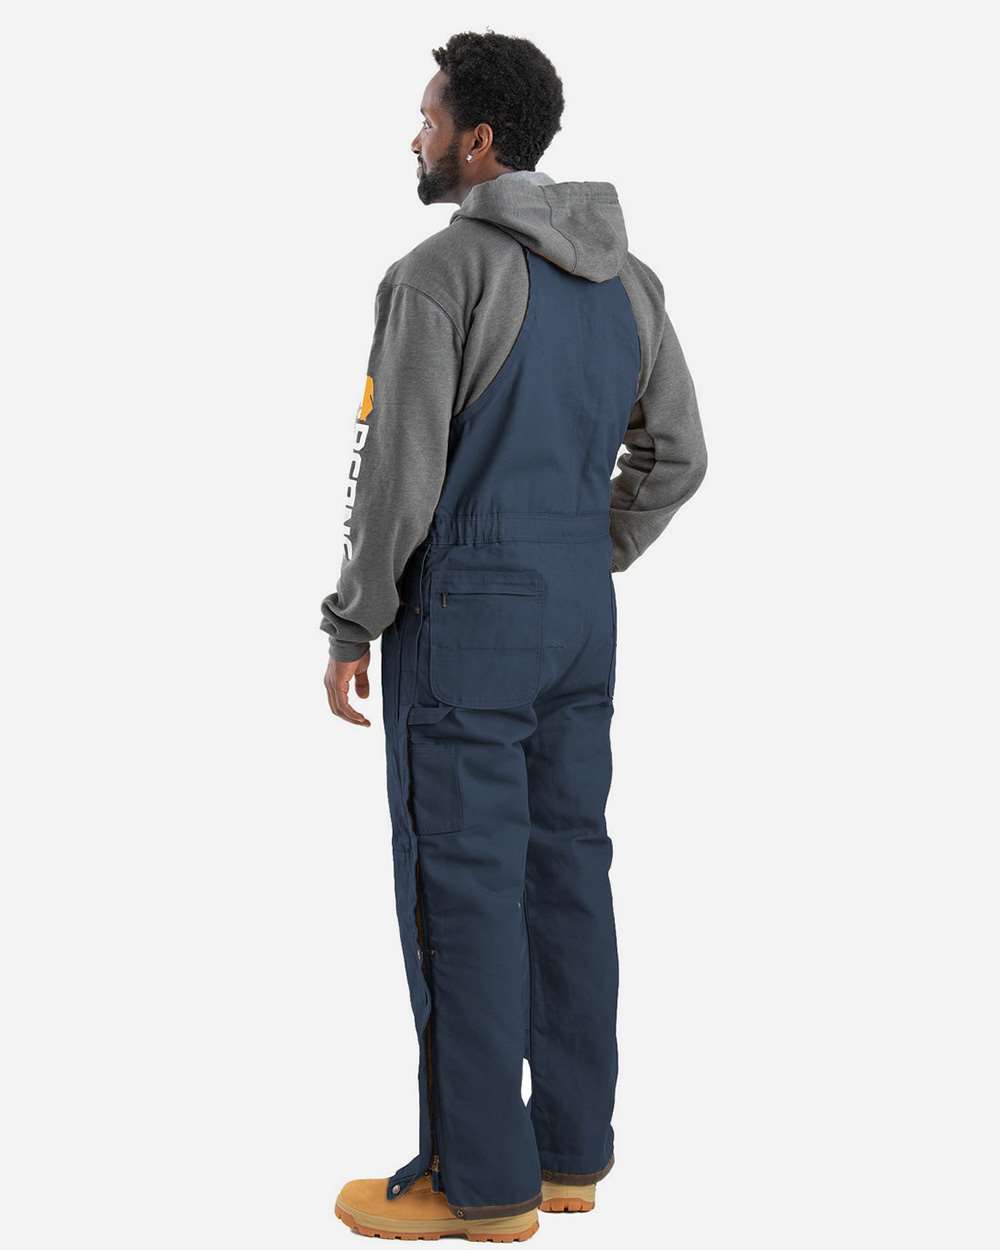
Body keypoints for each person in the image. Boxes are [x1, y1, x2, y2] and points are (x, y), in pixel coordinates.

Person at [320, 30, 707, 1243]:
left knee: (464, 883)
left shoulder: (439, 274)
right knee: (566, 869)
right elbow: (679, 456)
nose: (418, 136)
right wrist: (586, 549)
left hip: (468, 617)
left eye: (431, 118)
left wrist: (352, 616)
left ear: (478, 141)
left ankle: (478, 1184)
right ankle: (568, 1153)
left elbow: (398, 479)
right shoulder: (630, 281)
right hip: (578, 615)